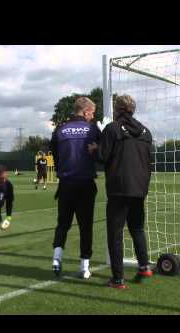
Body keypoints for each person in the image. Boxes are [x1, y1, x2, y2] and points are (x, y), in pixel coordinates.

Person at [89, 94, 153, 289]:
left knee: (115, 234)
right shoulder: (146, 131)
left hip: (119, 189)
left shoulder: (113, 128)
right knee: (137, 228)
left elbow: (102, 157)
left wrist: (94, 148)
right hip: (139, 188)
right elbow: (150, 161)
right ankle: (144, 267)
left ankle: (118, 279)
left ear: (117, 109)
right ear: (133, 109)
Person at [50, 97, 101, 279]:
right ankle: (84, 266)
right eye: (92, 113)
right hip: (85, 183)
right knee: (85, 226)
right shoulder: (92, 129)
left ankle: (56, 259)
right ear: (86, 111)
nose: (93, 117)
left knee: (63, 224)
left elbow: (54, 156)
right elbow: (101, 154)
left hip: (65, 184)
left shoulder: (60, 129)